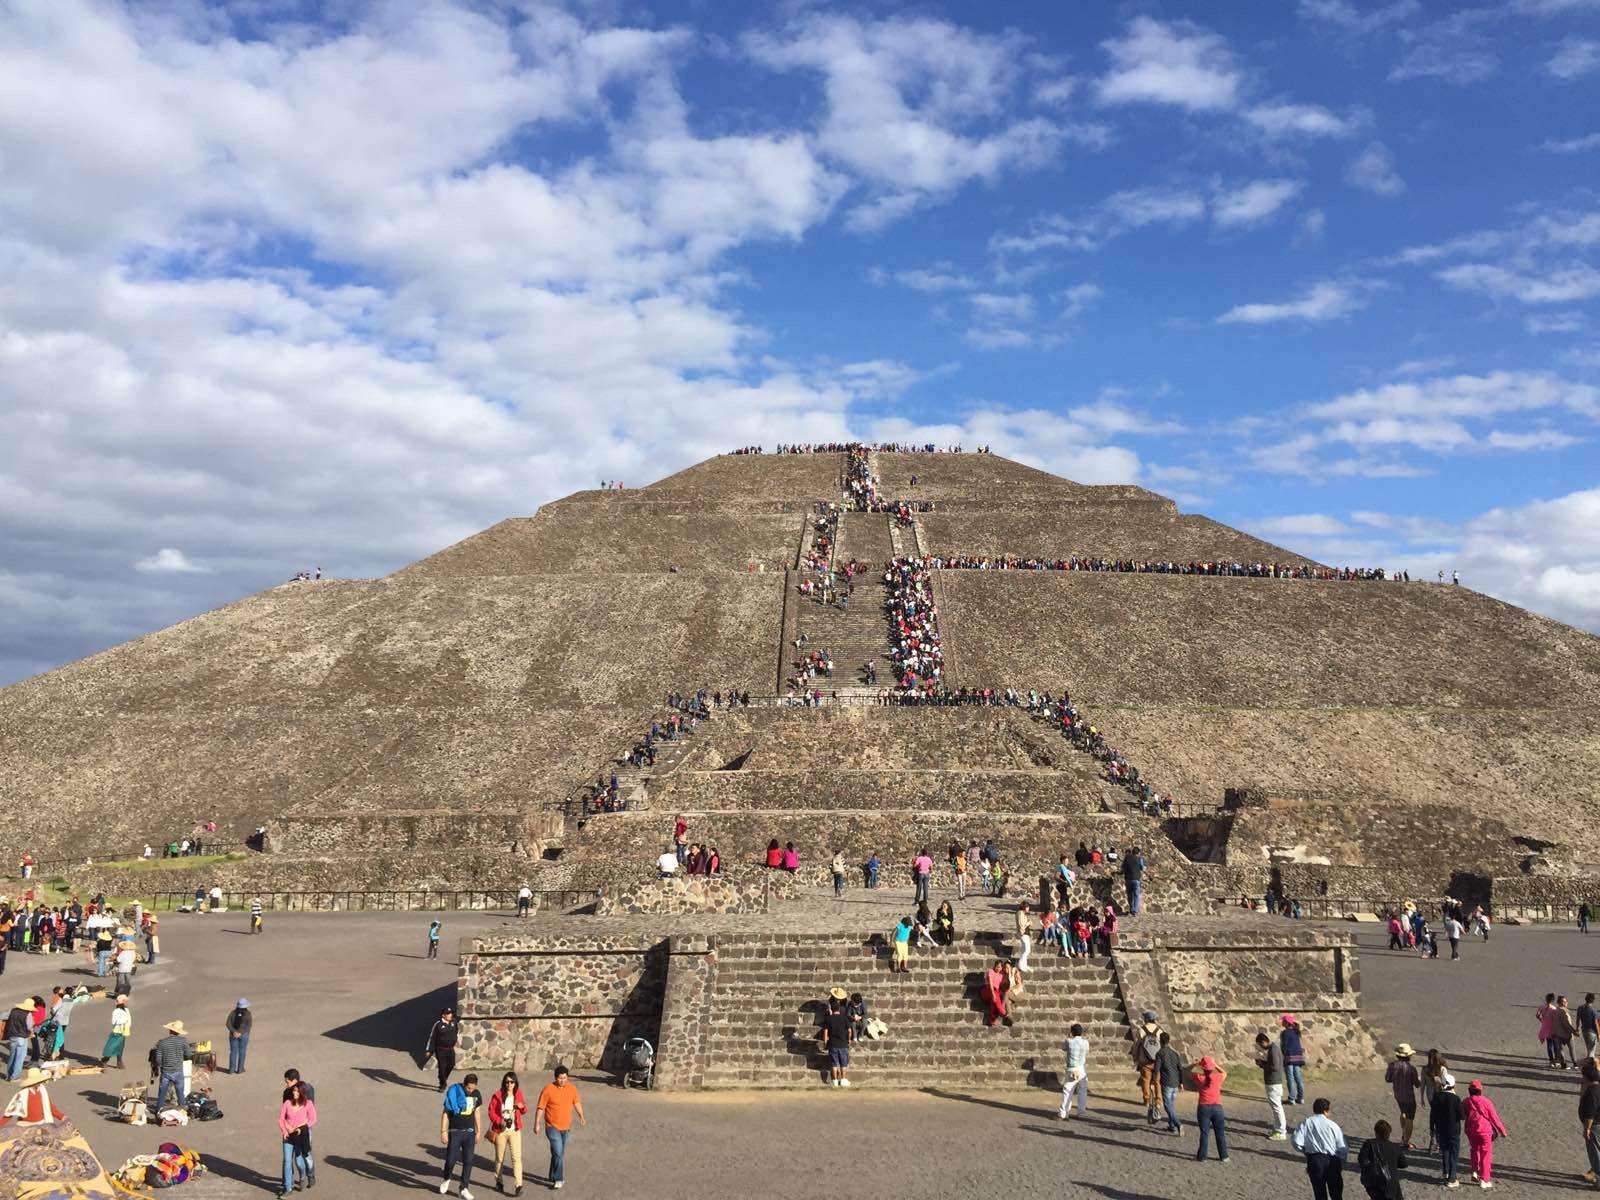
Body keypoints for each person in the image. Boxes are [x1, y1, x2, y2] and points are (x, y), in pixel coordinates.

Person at [534, 1064, 585, 1192]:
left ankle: (552, 1175)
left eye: (565, 1078)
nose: (562, 1080)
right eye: (560, 1078)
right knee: (558, 1152)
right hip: (552, 1126)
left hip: (566, 1127)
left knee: (558, 1153)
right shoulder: (548, 1089)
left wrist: (581, 1115)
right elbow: (541, 1107)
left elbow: (576, 1103)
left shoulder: (572, 1089)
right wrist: (537, 1123)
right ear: (555, 1077)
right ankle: (558, 1179)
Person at [1292, 1097, 1348, 1200]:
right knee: (1336, 1193)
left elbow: (1296, 1141)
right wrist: (1341, 1161)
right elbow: (1342, 1147)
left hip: (1315, 1160)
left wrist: (1305, 1151)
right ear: (1326, 1111)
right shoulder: (1333, 1125)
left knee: (1319, 1193)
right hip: (1332, 1160)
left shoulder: (1306, 1122)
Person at [439, 1072, 482, 1198]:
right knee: (450, 1160)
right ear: (464, 1084)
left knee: (468, 1161)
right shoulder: (454, 1092)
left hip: (469, 1132)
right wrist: (443, 1131)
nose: (470, 1091)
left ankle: (463, 1188)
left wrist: (478, 1131)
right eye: (468, 1088)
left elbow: (477, 1112)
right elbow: (446, 1113)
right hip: (455, 1131)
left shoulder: (476, 1094)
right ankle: (446, 1179)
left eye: (473, 1088)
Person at [488, 1069, 527, 1196]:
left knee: (516, 1158)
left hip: (514, 1131)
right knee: (499, 1158)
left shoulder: (518, 1094)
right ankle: (499, 1181)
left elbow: (524, 1110)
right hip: (501, 1131)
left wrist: (522, 1107)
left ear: (515, 1083)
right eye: (507, 1082)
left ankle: (518, 1185)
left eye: (512, 1082)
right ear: (504, 1083)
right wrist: (499, 1121)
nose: (509, 1084)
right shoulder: (497, 1095)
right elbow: (491, 1112)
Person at [1462, 1079, 1506, 1188]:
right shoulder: (1486, 1101)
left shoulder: (1466, 1101)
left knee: (1474, 1150)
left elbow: (1462, 1114)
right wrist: (1502, 1130)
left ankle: (1474, 1170)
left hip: (1471, 1130)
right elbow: (1494, 1117)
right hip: (1484, 1130)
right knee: (1486, 1154)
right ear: (1480, 1090)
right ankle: (1484, 1179)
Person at [279, 1079, 316, 1198]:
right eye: (294, 1091)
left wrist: (302, 1128)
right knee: (287, 1161)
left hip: (300, 1137)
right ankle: (288, 1188)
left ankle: (303, 1176)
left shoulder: (308, 1104)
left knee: (299, 1162)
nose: (294, 1093)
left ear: (302, 1093)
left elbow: (313, 1119)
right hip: (288, 1137)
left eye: (297, 1091)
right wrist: (285, 1131)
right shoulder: (287, 1103)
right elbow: (281, 1119)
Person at [1190, 1055, 1230, 1162]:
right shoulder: (1217, 1077)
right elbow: (1224, 1073)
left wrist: (1197, 1065)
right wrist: (1215, 1065)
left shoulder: (1200, 1078)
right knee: (1220, 1133)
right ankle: (1224, 1156)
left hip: (1203, 1108)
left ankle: (1202, 1157)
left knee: (1204, 1133)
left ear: (1203, 1068)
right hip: (1217, 1108)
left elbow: (1191, 1072)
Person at [1357, 1118, 1409, 1200]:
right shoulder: (1395, 1147)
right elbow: (1404, 1164)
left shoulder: (1369, 1144)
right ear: (1389, 1133)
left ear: (1375, 1132)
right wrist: (1392, 1162)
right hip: (1391, 1184)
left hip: (1375, 1183)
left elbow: (1361, 1160)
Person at [1430, 1073, 1464, 1188]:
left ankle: (1446, 1172)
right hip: (1454, 1130)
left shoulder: (1436, 1096)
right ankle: (1452, 1178)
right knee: (1454, 1152)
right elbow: (1462, 1116)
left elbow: (1432, 1114)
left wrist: (1432, 1128)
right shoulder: (1456, 1099)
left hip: (1440, 1128)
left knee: (1445, 1150)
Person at [1385, 1043, 1421, 1148]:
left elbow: (1388, 1079)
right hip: (1409, 1096)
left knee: (1403, 1112)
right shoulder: (1411, 1068)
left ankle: (1403, 1132)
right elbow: (1417, 1084)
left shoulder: (1392, 1066)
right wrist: (1419, 1079)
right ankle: (1406, 1141)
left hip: (1398, 1094)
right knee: (1410, 1118)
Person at [1256, 1030, 1288, 1139]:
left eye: (1260, 1045)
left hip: (1274, 1083)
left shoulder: (1273, 1050)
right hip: (1273, 1082)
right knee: (1276, 1107)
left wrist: (1262, 1064)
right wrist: (1263, 1063)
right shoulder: (1273, 1049)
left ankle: (1281, 1131)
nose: (1261, 1047)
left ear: (1264, 1041)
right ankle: (1277, 1129)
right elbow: (1274, 1064)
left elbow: (1275, 1067)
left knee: (1277, 1108)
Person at [1132, 1016, 1162, 1124]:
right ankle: (1158, 1101)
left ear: (1146, 1019)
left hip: (1145, 1061)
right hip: (1157, 1060)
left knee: (1146, 1080)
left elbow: (1136, 1045)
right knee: (1157, 1081)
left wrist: (1135, 1058)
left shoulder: (1141, 1030)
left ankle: (1147, 1100)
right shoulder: (1159, 1030)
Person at [154, 1019, 189, 1109]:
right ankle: (182, 1109)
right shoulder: (183, 1041)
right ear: (179, 1032)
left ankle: (159, 1109)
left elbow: (158, 1059)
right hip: (178, 1071)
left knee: (162, 1093)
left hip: (166, 1072)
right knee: (180, 1093)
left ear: (170, 1030)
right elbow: (188, 1055)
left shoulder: (162, 1042)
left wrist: (162, 1067)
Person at [1154, 1031, 1184, 1135]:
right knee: (1171, 1105)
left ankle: (1178, 1124)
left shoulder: (1160, 1053)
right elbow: (1180, 1068)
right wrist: (1181, 1082)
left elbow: (1156, 1069)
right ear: (1168, 1041)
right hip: (1175, 1082)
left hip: (1167, 1082)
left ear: (1160, 1041)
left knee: (1167, 1106)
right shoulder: (1175, 1053)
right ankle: (1172, 1126)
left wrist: (1153, 1081)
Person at [1057, 1022, 1089, 1119]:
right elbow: (1087, 1051)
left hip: (1072, 1069)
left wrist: (1069, 1036)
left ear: (1072, 1032)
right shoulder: (1085, 1042)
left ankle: (1063, 1113)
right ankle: (1081, 1113)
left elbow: (1063, 1048)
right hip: (1082, 1069)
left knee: (1067, 1091)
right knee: (1082, 1092)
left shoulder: (1069, 1041)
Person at [424, 1006, 459, 1092]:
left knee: (451, 1065)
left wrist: (455, 1039)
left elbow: (456, 1032)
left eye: (451, 1013)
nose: (450, 1015)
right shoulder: (438, 1025)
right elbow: (432, 1037)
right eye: (448, 1014)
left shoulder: (453, 1022)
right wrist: (428, 1050)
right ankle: (442, 1085)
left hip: (450, 1049)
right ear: (443, 1015)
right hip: (441, 1050)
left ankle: (442, 1077)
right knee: (442, 1067)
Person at [822, 993, 853, 1088]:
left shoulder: (828, 1019)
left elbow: (825, 1032)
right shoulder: (844, 1018)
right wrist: (849, 1039)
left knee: (834, 1064)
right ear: (839, 1009)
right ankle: (843, 1080)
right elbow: (849, 1030)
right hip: (843, 1044)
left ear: (831, 1009)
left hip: (833, 1044)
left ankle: (835, 1081)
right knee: (843, 1064)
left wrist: (825, 1043)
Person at [1579, 1061, 1600, 1191]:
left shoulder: (1592, 1092)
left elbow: (1590, 1114)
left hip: (1595, 1126)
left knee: (1595, 1154)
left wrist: (1587, 1129)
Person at [1282, 1013, 1307, 1106]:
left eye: (1283, 1021)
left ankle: (1292, 1099)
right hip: (1298, 1056)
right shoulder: (1296, 1031)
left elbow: (1284, 1045)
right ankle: (1301, 1098)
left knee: (1290, 1078)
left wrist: (1283, 1055)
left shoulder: (1285, 1032)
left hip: (1289, 1056)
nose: (1282, 1023)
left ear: (1286, 1022)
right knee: (1298, 1078)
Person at [101, 995, 130, 1069]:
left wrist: (127, 1026)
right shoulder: (116, 1011)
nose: (126, 1002)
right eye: (124, 1001)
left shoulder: (126, 1010)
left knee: (120, 1048)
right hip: (117, 1032)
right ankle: (105, 1060)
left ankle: (119, 1062)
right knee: (112, 1047)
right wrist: (123, 1021)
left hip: (123, 1032)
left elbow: (129, 1020)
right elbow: (114, 1021)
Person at [226, 998, 252, 1075]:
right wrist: (240, 1032)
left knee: (233, 1052)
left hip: (233, 1035)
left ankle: (231, 1070)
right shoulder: (248, 1014)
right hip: (244, 1035)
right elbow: (249, 1026)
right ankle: (240, 1069)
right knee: (242, 1052)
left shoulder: (233, 1013)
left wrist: (234, 1031)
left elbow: (228, 1024)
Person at [983, 960, 1009, 1028]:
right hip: (988, 990)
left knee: (994, 1001)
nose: (998, 968)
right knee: (995, 996)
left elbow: (1003, 987)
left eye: (1000, 967)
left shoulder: (1001, 975)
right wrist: (993, 993)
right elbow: (991, 983)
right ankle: (1003, 1013)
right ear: (994, 966)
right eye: (997, 967)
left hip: (996, 992)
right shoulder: (991, 971)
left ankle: (992, 1021)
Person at [1123, 846, 1146, 915]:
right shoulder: (1140, 859)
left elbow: (1123, 867)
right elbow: (1142, 868)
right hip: (1136, 879)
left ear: (1132, 852)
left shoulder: (1127, 858)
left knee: (1130, 895)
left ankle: (1131, 908)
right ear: (1138, 853)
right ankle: (1135, 911)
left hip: (1128, 879)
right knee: (1136, 895)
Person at [1014, 902, 1032, 973]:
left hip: (1026, 933)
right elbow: (1021, 924)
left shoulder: (1023, 913)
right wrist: (1028, 923)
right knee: (1027, 950)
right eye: (1027, 907)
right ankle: (1020, 964)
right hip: (1023, 933)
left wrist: (1029, 922)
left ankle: (1025, 965)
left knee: (1024, 949)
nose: (1028, 908)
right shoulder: (1020, 913)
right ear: (1024, 907)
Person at [1581, 994, 1600, 1065]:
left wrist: (1576, 1028)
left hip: (1584, 1031)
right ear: (1593, 1000)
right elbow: (1596, 1023)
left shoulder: (1581, 1008)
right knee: (1592, 1051)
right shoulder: (1593, 1011)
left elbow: (1578, 1019)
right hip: (1592, 1032)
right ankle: (1589, 1066)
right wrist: (1598, 1034)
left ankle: (1588, 1063)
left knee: (1588, 1050)